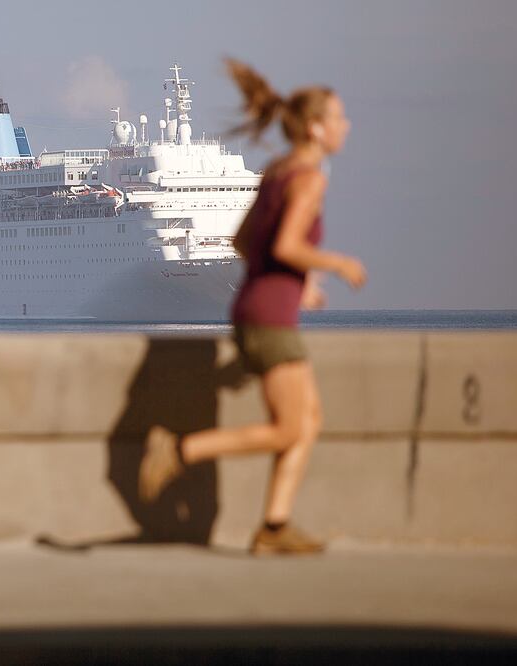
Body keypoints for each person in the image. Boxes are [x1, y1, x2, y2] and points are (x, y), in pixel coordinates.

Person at [138, 59, 367, 555]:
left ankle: (275, 526)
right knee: (290, 426)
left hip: (258, 308)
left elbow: (243, 240)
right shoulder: (309, 179)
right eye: (340, 118)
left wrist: (297, 283)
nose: (347, 127)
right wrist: (336, 264)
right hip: (268, 318)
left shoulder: (276, 171)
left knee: (309, 422)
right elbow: (284, 246)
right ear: (316, 128)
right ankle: (179, 449)